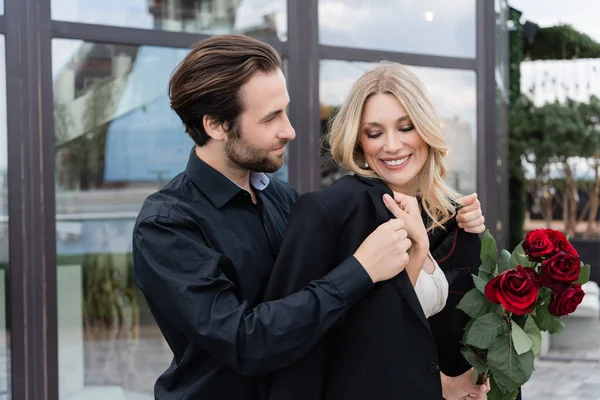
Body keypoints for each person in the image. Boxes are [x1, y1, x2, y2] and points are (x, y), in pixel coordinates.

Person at [132, 35, 486, 400]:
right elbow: (244, 341)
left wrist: (456, 224)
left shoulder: (287, 201)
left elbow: (349, 332)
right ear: (216, 126)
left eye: (285, 110)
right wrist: (359, 270)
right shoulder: (167, 225)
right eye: (271, 118)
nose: (290, 130)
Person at [262, 61, 490, 400]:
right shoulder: (328, 212)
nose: (392, 145)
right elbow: (303, 342)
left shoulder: (451, 213)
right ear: (359, 141)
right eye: (375, 133)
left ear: (425, 127)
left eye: (405, 127)